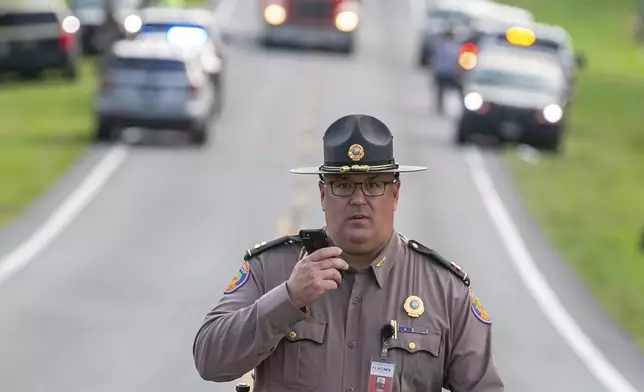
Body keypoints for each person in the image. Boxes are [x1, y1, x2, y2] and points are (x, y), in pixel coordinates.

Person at [192, 114, 505, 392]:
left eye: (372, 185)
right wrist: (288, 299)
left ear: (395, 194)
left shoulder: (444, 290)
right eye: (343, 184)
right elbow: (210, 361)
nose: (358, 199)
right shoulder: (272, 269)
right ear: (322, 194)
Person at [431, 28, 463, 115]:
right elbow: (458, 60)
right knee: (459, 90)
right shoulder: (456, 47)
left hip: (441, 72)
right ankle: (463, 106)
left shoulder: (439, 46)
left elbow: (434, 60)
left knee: (440, 92)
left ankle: (440, 108)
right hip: (451, 72)